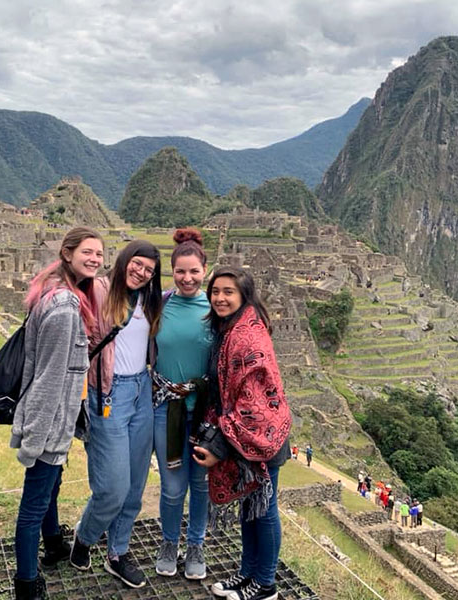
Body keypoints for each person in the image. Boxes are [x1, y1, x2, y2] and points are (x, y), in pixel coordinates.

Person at [10, 227, 105, 600]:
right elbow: (50, 379)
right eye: (87, 252)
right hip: (51, 422)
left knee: (50, 489)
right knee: (33, 505)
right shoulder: (65, 309)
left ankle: (53, 545)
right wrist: (36, 438)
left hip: (57, 420)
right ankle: (27, 584)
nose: (95, 258)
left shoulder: (53, 290)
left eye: (99, 253)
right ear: (67, 253)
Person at [194, 267, 292, 600]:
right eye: (216, 291)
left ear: (243, 296)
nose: (220, 298)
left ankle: (265, 584)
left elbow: (253, 405)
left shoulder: (248, 337)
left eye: (228, 292)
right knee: (250, 509)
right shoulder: (231, 329)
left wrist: (218, 446)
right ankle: (247, 574)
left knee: (264, 510)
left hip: (260, 439)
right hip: (241, 438)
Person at [70, 240, 163, 589]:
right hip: (107, 393)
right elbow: (65, 288)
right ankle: (86, 536)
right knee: (112, 487)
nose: (141, 273)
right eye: (137, 264)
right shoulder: (98, 289)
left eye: (149, 270)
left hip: (142, 391)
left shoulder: (150, 300)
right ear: (124, 260)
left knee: (135, 486)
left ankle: (118, 552)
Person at [152, 228, 212, 580]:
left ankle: (196, 544)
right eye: (180, 271)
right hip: (166, 409)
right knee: (173, 487)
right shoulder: (159, 304)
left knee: (201, 485)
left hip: (204, 413)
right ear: (171, 272)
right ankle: (169, 542)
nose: (187, 278)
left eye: (193, 271)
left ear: (204, 270)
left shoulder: (216, 308)